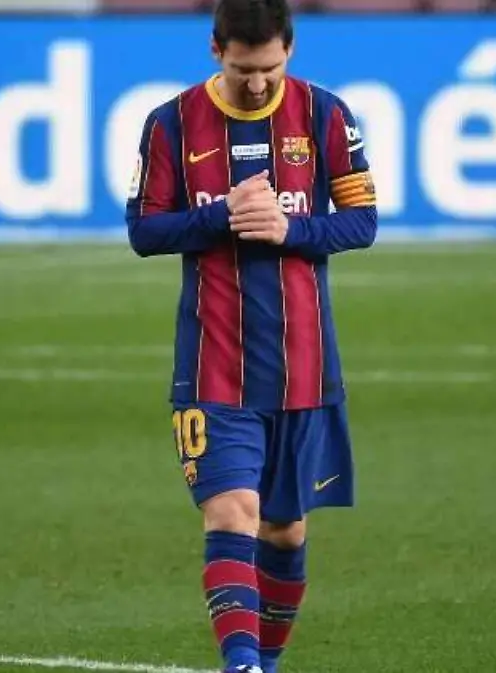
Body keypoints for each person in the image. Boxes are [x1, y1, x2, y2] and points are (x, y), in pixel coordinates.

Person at [124, 1, 377, 670]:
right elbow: (144, 230)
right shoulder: (171, 123)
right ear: (216, 51)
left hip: (304, 366)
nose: (258, 84)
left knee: (285, 530)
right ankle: (240, 664)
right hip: (213, 364)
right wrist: (220, 217)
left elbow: (363, 222)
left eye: (270, 68)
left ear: (289, 49)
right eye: (243, 70)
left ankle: (264, 662)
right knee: (233, 510)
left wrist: (291, 229)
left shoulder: (326, 115)